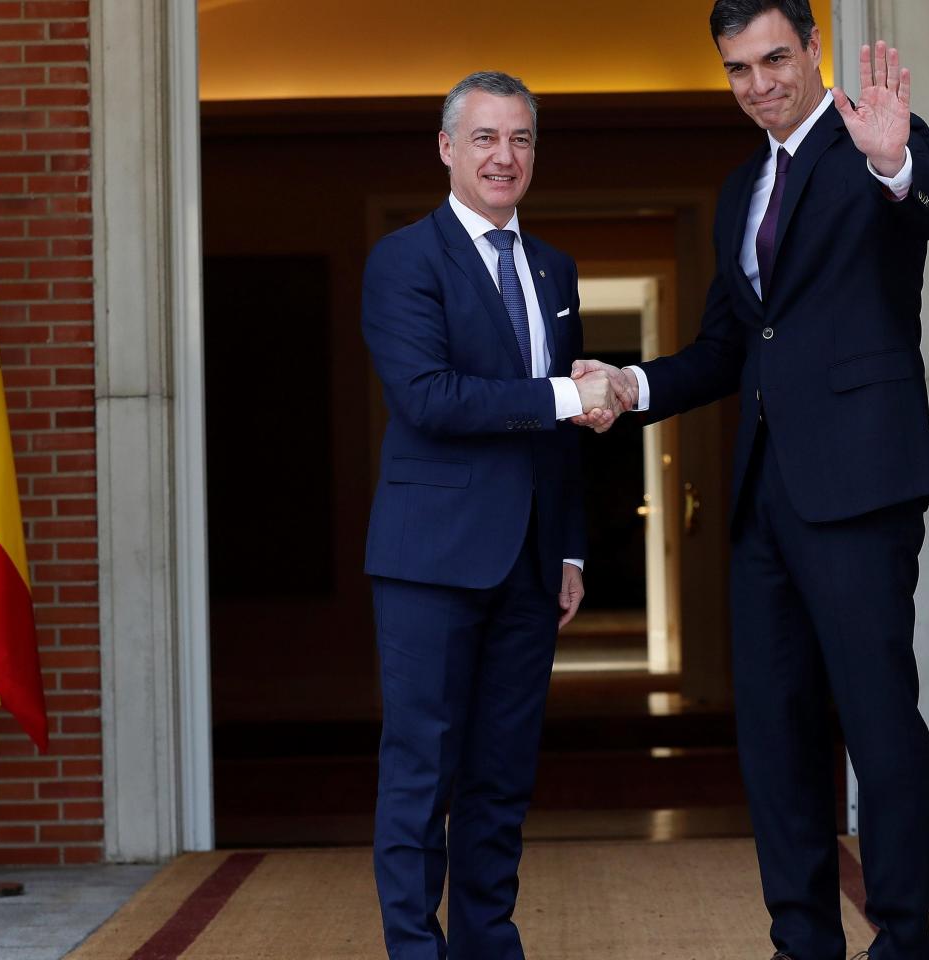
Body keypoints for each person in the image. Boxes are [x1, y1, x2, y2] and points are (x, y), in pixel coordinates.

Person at [576, 3, 929, 958]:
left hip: (861, 489)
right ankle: (802, 940)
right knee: (775, 736)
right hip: (763, 500)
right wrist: (632, 384)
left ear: (811, 50)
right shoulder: (736, 190)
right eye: (737, 68)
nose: (758, 84)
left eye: (774, 59)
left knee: (878, 721)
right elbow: (725, 349)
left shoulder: (880, 138)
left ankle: (904, 940)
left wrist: (894, 165)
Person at [360, 71, 629, 960]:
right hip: (430, 562)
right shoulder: (405, 259)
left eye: (520, 139)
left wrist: (574, 551)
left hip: (529, 562)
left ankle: (488, 944)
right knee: (420, 773)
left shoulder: (553, 266)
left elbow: (560, 435)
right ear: (446, 148)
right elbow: (431, 398)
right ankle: (414, 950)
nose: (503, 156)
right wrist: (563, 394)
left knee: (501, 776)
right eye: (484, 138)